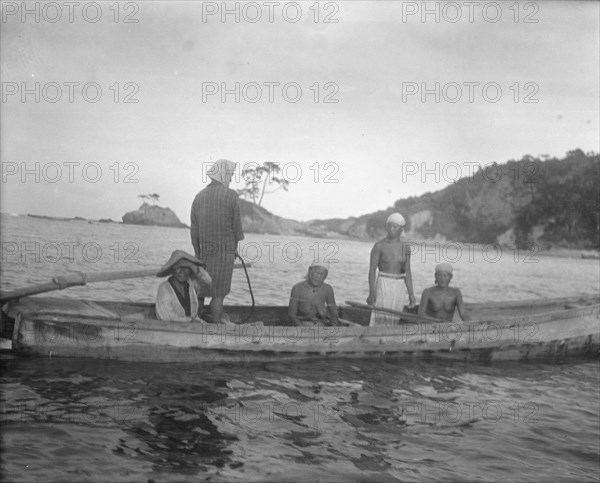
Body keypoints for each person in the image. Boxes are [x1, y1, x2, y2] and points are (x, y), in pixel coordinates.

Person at [190, 159, 245, 324]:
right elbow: (236, 228)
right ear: (224, 175)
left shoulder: (198, 197)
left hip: (204, 255)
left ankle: (195, 323)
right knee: (218, 294)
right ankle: (214, 325)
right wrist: (234, 250)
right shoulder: (231, 195)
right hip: (224, 255)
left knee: (199, 292)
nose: (231, 178)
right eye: (230, 175)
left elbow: (194, 230)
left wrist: (197, 254)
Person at [367, 212, 416, 326]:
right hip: (383, 283)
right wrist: (371, 292)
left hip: (399, 286)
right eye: (390, 226)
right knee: (379, 317)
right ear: (386, 227)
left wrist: (411, 294)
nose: (392, 229)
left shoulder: (406, 248)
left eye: (395, 227)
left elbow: (407, 272)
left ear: (401, 229)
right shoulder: (379, 246)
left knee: (395, 316)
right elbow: (372, 270)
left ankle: (388, 340)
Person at [156, 250, 212, 322]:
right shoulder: (164, 288)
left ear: (190, 270)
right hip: (172, 330)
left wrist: (192, 265)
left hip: (192, 327)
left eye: (185, 267)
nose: (182, 271)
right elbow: (167, 317)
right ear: (172, 270)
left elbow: (208, 281)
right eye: (178, 267)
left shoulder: (192, 284)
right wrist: (191, 321)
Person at [288, 261, 339, 326]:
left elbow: (334, 314)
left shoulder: (327, 289)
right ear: (310, 270)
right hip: (301, 327)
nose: (318, 276)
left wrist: (333, 328)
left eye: (322, 275)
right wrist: (302, 329)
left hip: (321, 327)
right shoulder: (298, 288)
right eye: (317, 272)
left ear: (325, 277)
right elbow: (292, 315)